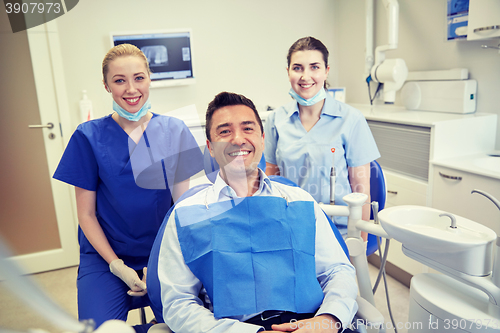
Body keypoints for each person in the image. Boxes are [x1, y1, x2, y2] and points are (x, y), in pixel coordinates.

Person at [156, 92, 358, 333]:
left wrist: (328, 319)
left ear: (262, 139)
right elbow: (178, 303)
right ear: (210, 147)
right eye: (224, 131)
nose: (238, 139)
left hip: (311, 323)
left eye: (247, 128)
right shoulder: (188, 214)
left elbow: (337, 270)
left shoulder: (300, 201)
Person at [53, 44, 203, 333]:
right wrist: (116, 265)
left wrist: (164, 259)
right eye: (119, 80)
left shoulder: (174, 130)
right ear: (107, 86)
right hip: (105, 256)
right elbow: (86, 215)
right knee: (100, 329)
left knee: (183, 325)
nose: (131, 89)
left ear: (150, 79)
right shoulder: (88, 137)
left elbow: (180, 208)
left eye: (139, 78)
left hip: (161, 251)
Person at [264, 37, 380, 239]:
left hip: (339, 229)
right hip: (290, 227)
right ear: (288, 72)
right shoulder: (276, 120)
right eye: (297, 68)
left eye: (314, 67)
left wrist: (359, 243)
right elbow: (272, 181)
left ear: (326, 71)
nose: (305, 76)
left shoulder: (351, 120)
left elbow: (361, 192)